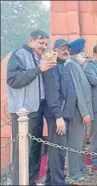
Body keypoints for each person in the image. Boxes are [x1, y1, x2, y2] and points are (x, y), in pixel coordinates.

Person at [6, 30, 56, 186]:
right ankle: (18, 182)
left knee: (35, 150)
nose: (44, 46)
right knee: (22, 152)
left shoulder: (43, 56)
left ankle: (31, 181)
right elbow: (13, 80)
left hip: (38, 107)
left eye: (46, 43)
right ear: (30, 41)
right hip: (23, 111)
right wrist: (40, 69)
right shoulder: (19, 55)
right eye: (41, 42)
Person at [43, 39, 75, 185]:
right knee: (58, 152)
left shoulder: (64, 66)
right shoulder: (52, 66)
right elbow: (52, 93)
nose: (66, 51)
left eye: (68, 49)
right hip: (58, 116)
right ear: (54, 49)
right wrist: (58, 116)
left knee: (57, 151)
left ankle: (51, 181)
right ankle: (58, 182)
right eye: (62, 48)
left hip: (64, 115)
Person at [64, 38, 94, 180]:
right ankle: (74, 172)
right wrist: (84, 112)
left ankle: (81, 166)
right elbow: (77, 91)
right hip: (78, 112)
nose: (86, 56)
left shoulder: (78, 65)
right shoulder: (71, 64)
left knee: (81, 142)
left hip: (82, 112)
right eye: (83, 53)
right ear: (76, 53)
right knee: (75, 143)